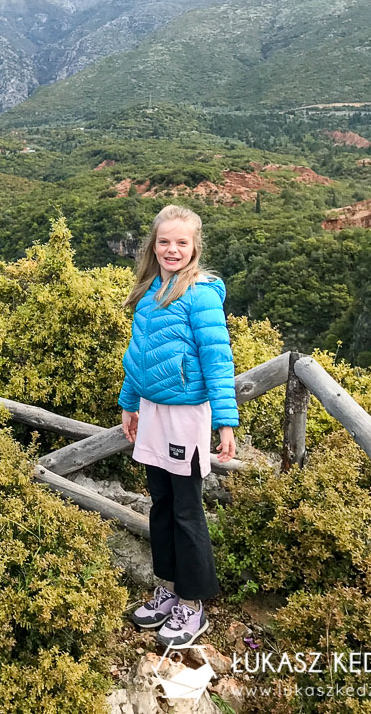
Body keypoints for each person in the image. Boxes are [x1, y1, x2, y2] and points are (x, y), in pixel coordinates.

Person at [118, 204, 237, 649]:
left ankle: (192, 603)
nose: (172, 249)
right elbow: (139, 355)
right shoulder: (151, 290)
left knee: (187, 510)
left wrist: (225, 422)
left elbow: (218, 361)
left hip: (186, 416)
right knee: (162, 504)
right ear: (153, 245)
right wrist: (129, 403)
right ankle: (167, 589)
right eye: (164, 241)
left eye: (181, 242)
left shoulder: (201, 294)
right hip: (152, 412)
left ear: (194, 247)